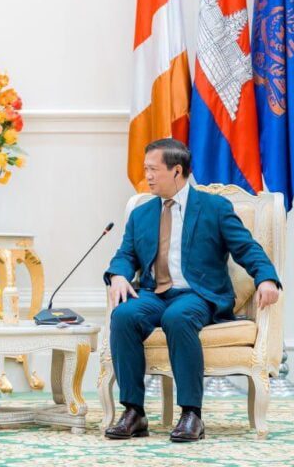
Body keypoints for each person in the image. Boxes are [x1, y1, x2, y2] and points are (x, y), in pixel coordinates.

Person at [102, 138, 281, 443]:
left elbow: (247, 248)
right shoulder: (142, 213)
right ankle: (134, 411)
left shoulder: (214, 208)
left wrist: (266, 278)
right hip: (153, 294)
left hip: (199, 295)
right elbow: (125, 255)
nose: (148, 176)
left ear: (177, 171)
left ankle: (191, 414)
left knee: (178, 317)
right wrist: (118, 275)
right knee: (124, 315)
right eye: (146, 169)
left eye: (153, 169)